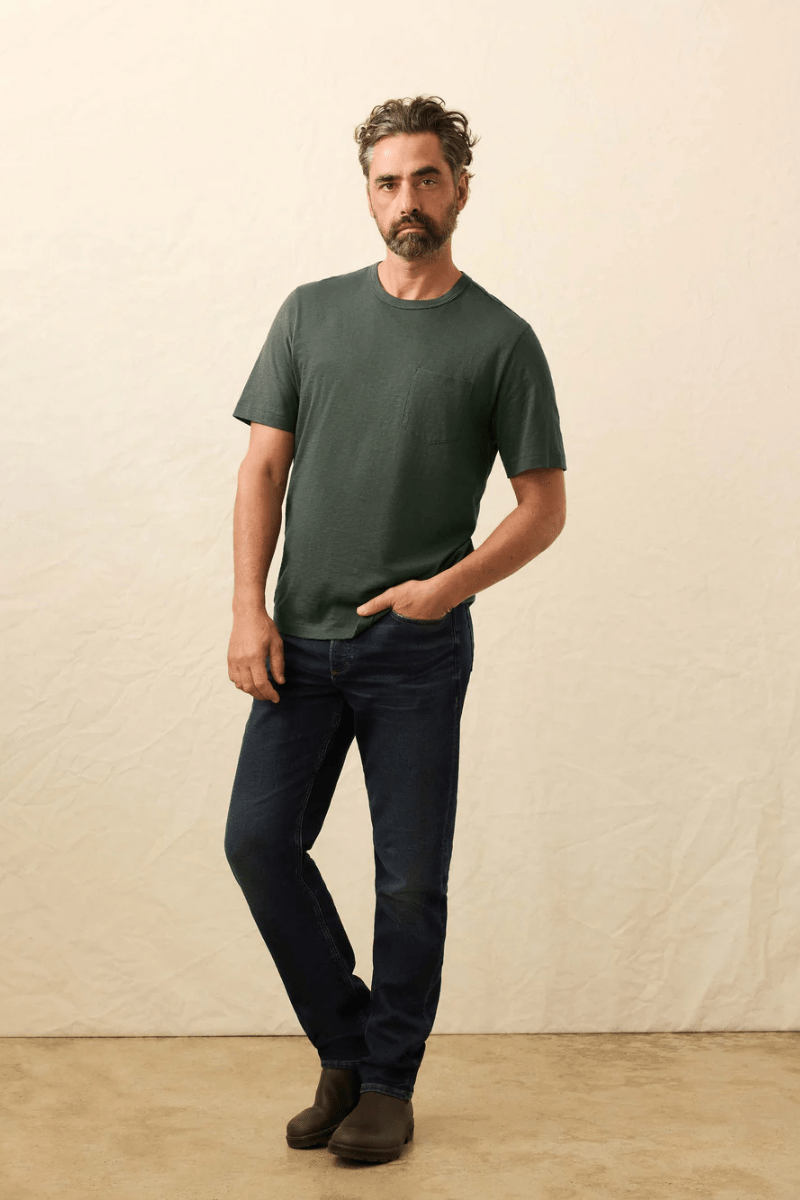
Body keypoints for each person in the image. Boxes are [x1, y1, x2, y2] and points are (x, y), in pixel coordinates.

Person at [224, 94, 567, 1165]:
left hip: (414, 651)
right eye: (387, 182)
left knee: (409, 879)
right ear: (367, 194)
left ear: (459, 187)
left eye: (425, 178)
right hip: (297, 640)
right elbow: (263, 469)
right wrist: (247, 608)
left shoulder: (501, 340)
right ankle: (346, 1045)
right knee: (257, 843)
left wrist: (446, 589)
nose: (405, 199)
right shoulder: (308, 314)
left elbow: (543, 507)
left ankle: (387, 1084)